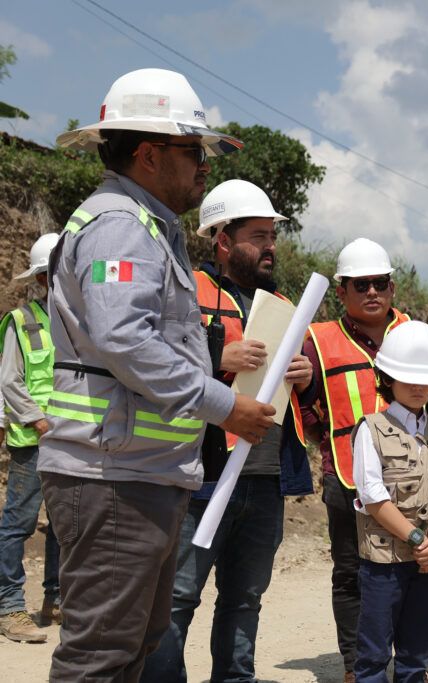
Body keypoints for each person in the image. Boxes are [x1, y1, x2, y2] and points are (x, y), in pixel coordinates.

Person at [42, 68, 275, 681]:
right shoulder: (120, 226)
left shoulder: (149, 226)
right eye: (192, 151)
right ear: (148, 155)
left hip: (138, 469)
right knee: (100, 655)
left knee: (133, 648)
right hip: (110, 474)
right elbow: (125, 339)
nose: (204, 167)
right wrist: (224, 406)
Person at [141, 179, 316, 682]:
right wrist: (215, 356)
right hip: (201, 476)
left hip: (264, 479)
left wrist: (303, 378)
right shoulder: (188, 290)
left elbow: (298, 399)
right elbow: (151, 359)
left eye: (272, 236)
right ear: (222, 239)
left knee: (245, 598)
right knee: (177, 597)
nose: (270, 247)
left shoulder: (283, 306)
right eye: (258, 236)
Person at [302, 238, 428, 682]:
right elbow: (307, 399)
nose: (372, 291)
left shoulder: (413, 330)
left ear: (392, 287)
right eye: (361, 284)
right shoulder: (319, 339)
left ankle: (411, 662)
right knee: (353, 574)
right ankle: (358, 666)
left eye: (380, 283)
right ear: (342, 291)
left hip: (415, 479)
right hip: (348, 477)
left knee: (415, 571)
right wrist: (326, 443)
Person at [351, 321, 428, 682]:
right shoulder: (370, 429)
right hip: (385, 562)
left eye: (425, 379)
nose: (418, 387)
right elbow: (372, 496)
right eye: (408, 377)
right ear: (388, 378)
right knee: (373, 653)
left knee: (417, 654)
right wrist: (420, 541)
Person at [0, 233, 62, 643]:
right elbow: (10, 381)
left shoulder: (80, 322)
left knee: (64, 526)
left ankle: (56, 600)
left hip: (71, 443)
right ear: (42, 279)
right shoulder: (22, 322)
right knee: (18, 525)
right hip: (33, 442)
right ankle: (9, 607)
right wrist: (39, 422)